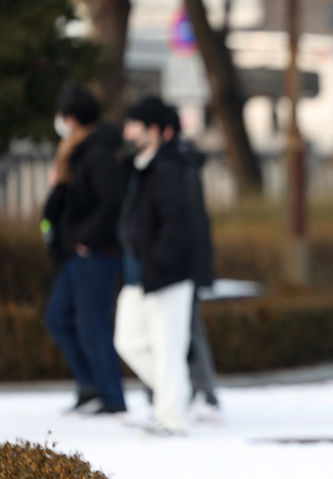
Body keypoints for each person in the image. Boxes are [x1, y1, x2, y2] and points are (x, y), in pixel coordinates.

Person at [42, 85, 126, 414]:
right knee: (58, 318)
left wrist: (86, 239)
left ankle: (111, 396)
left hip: (95, 253)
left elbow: (109, 205)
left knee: (94, 324)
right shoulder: (76, 153)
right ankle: (90, 386)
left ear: (72, 119)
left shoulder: (97, 154)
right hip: (75, 254)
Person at [114, 96, 194, 435]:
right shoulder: (137, 167)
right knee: (127, 341)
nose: (128, 129)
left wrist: (159, 263)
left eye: (135, 123)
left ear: (154, 130)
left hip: (166, 277)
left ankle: (172, 418)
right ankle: (176, 392)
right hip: (137, 276)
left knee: (168, 347)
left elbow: (177, 224)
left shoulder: (167, 169)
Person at [162, 106, 221, 416]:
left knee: (189, 329)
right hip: (169, 265)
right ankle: (187, 392)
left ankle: (205, 393)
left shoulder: (179, 166)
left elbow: (194, 223)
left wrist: (199, 270)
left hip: (181, 266)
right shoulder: (170, 164)